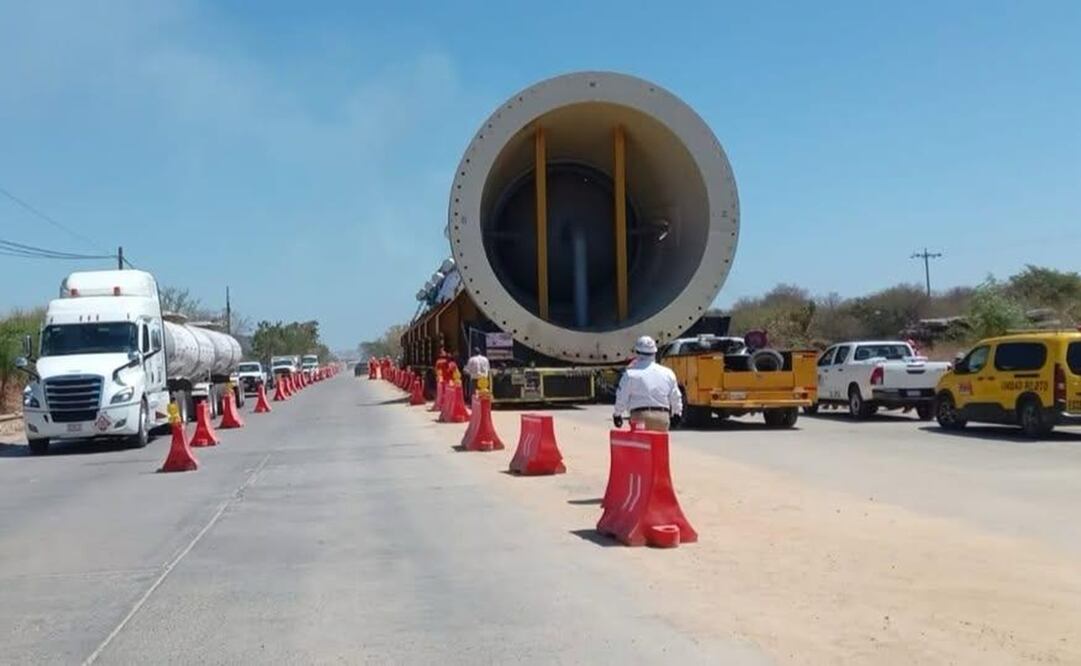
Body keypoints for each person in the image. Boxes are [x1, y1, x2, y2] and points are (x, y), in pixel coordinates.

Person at [613, 335, 683, 432]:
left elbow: (622, 397)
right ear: (654, 353)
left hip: (639, 418)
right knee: (660, 446)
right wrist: (677, 413)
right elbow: (676, 396)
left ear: (637, 353)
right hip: (662, 418)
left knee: (640, 446)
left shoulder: (630, 374)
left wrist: (617, 414)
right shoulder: (668, 373)